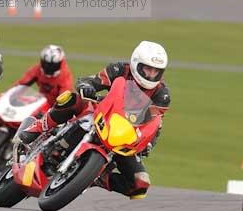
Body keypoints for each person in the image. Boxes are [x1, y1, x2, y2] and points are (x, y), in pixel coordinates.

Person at [18, 40, 171, 200]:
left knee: (140, 184)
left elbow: (154, 125)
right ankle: (37, 128)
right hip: (103, 112)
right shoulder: (120, 69)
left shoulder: (162, 94)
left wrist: (147, 144)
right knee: (71, 99)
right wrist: (87, 86)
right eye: (147, 69)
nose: (151, 75)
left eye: (156, 71)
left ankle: (97, 178)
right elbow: (93, 80)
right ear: (136, 63)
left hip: (123, 135)